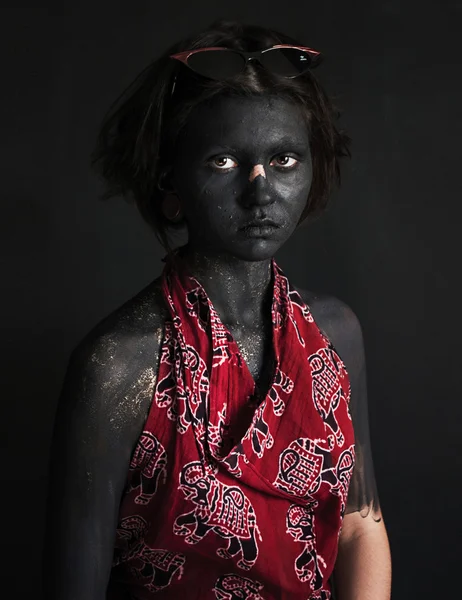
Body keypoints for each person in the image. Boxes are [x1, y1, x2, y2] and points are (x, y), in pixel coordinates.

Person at [43, 19, 391, 600]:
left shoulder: (334, 335)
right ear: (170, 181)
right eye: (224, 162)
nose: (261, 191)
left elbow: (360, 523)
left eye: (283, 160)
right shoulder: (116, 367)